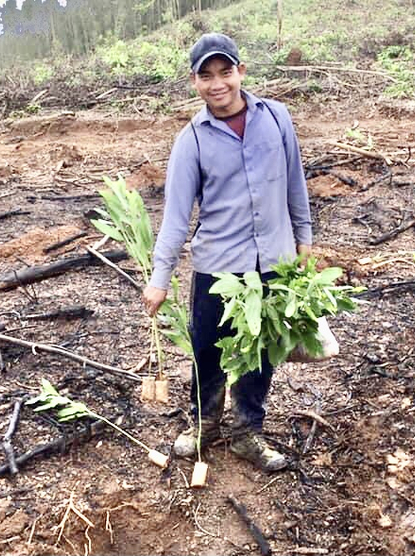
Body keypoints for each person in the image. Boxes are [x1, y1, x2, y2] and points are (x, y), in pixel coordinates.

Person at [142, 32, 312, 472]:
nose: (218, 83)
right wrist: (160, 278)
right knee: (208, 350)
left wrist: (304, 239)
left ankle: (247, 433)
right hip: (218, 267)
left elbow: (296, 183)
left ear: (241, 72)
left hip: (272, 262)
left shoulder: (276, 118)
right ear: (194, 82)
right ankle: (204, 424)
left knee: (262, 351)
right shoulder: (191, 141)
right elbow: (177, 217)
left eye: (225, 72)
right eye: (206, 76)